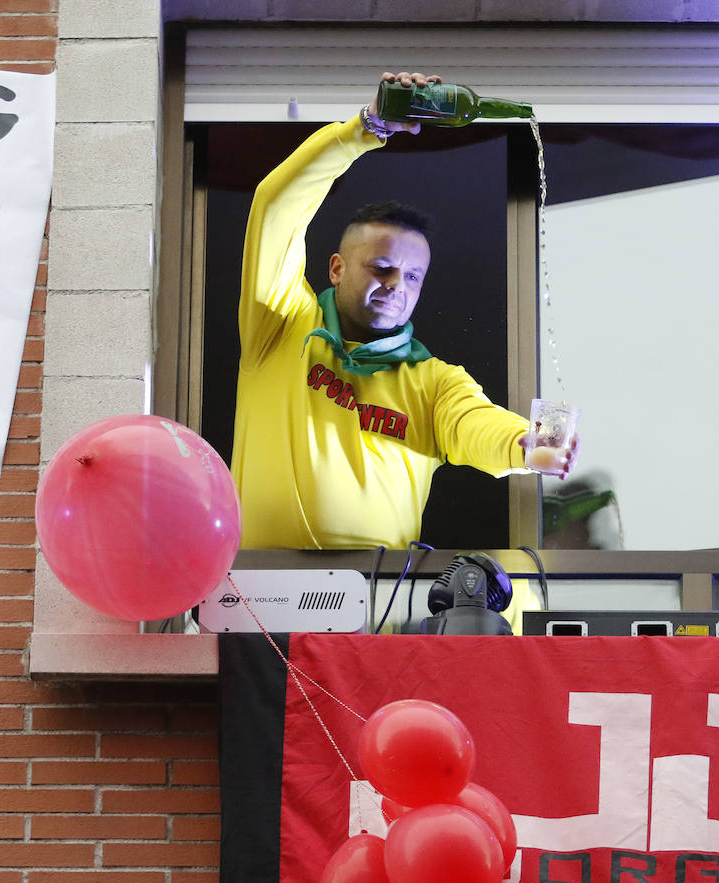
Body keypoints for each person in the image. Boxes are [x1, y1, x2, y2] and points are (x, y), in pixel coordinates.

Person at [232, 71, 576, 558]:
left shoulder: (432, 381)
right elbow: (275, 207)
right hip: (256, 603)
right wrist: (364, 128)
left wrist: (522, 444)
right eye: (382, 267)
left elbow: (476, 424)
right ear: (336, 268)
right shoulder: (281, 324)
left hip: (375, 613)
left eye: (413, 276)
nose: (397, 285)